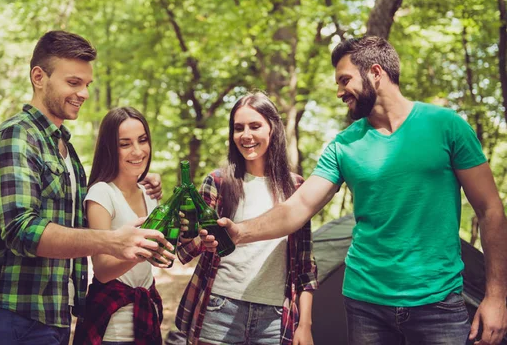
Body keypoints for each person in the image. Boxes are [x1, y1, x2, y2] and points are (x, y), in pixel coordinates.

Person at [216, 36, 507, 345]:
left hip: (438, 304)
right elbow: (296, 207)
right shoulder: (344, 146)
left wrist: (497, 297)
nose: (340, 92)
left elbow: (490, 209)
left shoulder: (447, 127)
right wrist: (240, 232)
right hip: (365, 305)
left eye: (345, 80)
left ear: (376, 72)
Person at [0, 31, 173, 345]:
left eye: (87, 84)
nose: (84, 93)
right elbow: (22, 230)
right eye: (73, 82)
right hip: (15, 315)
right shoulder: (16, 137)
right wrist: (111, 241)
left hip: (56, 312)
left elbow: (85, 216)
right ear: (39, 77)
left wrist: (142, 180)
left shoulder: (65, 148)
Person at [175, 92, 318, 345]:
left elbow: (305, 266)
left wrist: (304, 325)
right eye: (238, 128)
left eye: (255, 126)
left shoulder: (296, 189)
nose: (246, 135)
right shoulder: (218, 181)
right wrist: (201, 237)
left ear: (272, 129)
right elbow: (185, 250)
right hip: (220, 307)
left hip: (275, 317)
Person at [73, 107, 173, 345]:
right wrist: (144, 250)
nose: (137, 151)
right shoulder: (101, 194)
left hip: (146, 321)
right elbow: (103, 270)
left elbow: (158, 258)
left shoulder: (150, 194)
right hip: (111, 327)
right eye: (125, 144)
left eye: (142, 140)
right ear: (110, 148)